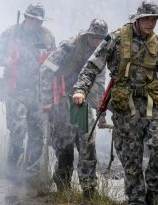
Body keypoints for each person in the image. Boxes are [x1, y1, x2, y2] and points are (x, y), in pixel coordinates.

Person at [72, 1, 158, 204]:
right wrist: (81, 90)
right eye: (146, 19)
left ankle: (154, 190)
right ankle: (136, 199)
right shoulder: (116, 38)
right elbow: (92, 67)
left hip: (152, 103)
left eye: (153, 19)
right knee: (131, 159)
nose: (150, 23)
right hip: (125, 106)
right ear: (137, 20)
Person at [40, 18, 108, 198]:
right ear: (88, 34)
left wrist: (100, 110)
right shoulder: (69, 45)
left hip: (81, 102)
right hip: (61, 98)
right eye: (94, 37)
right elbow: (46, 70)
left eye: (100, 38)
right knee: (65, 147)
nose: (97, 41)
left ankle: (89, 191)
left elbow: (99, 82)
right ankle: (63, 188)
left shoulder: (102, 52)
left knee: (87, 143)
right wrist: (46, 100)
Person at [0, 3, 55, 183]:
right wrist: (6, 60)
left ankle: (30, 177)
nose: (34, 23)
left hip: (39, 92)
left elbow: (55, 63)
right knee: (18, 132)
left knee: (37, 135)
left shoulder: (47, 37)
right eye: (32, 19)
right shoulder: (11, 33)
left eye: (38, 20)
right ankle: (11, 170)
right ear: (26, 17)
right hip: (16, 90)